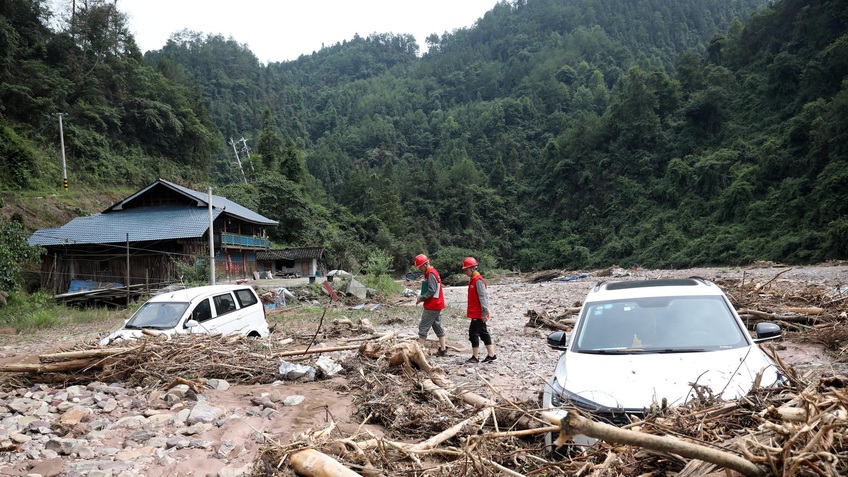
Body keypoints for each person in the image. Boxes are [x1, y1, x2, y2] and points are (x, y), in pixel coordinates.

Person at [463, 257, 496, 363]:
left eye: (466, 270)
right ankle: (491, 354)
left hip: (479, 314)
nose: (465, 272)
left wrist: (484, 313)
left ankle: (475, 357)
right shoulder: (473, 280)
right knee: (483, 333)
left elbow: (483, 298)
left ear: (472, 268)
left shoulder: (478, 281)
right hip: (476, 313)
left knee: (473, 334)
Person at [413, 254, 448, 356]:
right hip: (437, 304)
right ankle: (443, 349)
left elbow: (432, 290)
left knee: (423, 327)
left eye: (420, 267)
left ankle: (419, 352)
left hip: (432, 305)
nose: (420, 269)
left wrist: (421, 298)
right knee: (437, 327)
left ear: (425, 264)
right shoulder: (432, 272)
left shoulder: (431, 274)